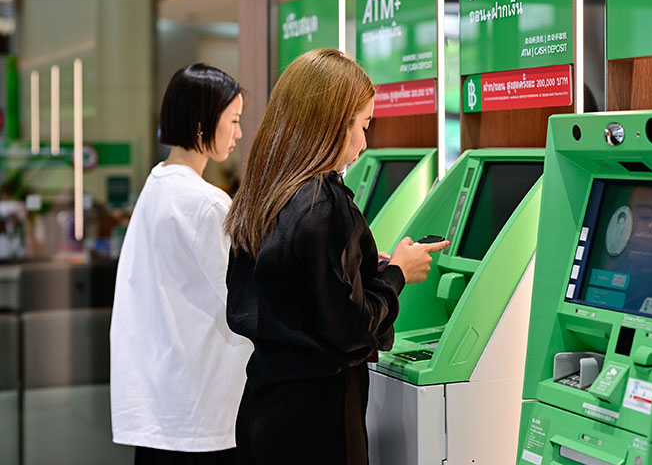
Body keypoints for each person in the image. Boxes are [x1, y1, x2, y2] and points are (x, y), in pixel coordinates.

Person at [224, 48, 447, 465]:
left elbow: (291, 284)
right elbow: (350, 326)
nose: (365, 142)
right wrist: (398, 273)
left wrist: (362, 269)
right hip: (318, 420)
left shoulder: (263, 192)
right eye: (364, 125)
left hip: (263, 405)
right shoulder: (323, 202)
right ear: (334, 124)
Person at [110, 63, 252, 465]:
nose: (239, 133)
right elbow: (243, 300)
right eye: (234, 120)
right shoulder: (205, 203)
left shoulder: (157, 183)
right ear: (202, 124)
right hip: (200, 416)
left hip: (162, 405)